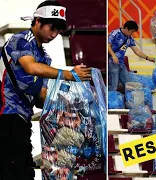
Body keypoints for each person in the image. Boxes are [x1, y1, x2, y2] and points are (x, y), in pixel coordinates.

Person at [0, 1, 91, 180]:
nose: (55, 34)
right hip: (5, 115)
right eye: (52, 28)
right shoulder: (21, 39)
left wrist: (68, 105)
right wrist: (68, 74)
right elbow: (30, 68)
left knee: (24, 172)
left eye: (59, 31)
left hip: (21, 120)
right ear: (38, 21)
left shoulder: (45, 57)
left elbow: (41, 97)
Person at [108, 20, 156, 91]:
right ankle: (111, 100)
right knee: (114, 85)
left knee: (127, 83)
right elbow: (107, 45)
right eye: (131, 31)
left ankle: (129, 99)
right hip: (112, 62)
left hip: (121, 63)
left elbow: (137, 51)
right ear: (127, 28)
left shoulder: (129, 38)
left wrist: (147, 58)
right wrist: (113, 56)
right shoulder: (115, 33)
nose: (132, 34)